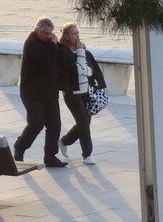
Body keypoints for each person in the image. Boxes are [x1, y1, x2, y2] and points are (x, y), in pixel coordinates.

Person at [14, 17, 67, 168]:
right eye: (46, 33)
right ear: (37, 30)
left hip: (49, 92)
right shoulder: (31, 44)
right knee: (36, 124)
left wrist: (58, 45)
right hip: (32, 94)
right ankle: (20, 147)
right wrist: (53, 45)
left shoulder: (50, 43)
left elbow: (60, 59)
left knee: (54, 125)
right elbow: (47, 60)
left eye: (51, 33)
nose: (49, 36)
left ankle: (50, 156)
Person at [58, 22, 106, 166]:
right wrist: (80, 55)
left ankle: (65, 141)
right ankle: (87, 155)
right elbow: (77, 70)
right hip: (72, 94)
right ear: (66, 37)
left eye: (78, 33)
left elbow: (92, 70)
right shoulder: (63, 53)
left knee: (84, 122)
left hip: (87, 93)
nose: (77, 36)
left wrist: (95, 80)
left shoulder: (85, 52)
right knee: (84, 123)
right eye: (74, 34)